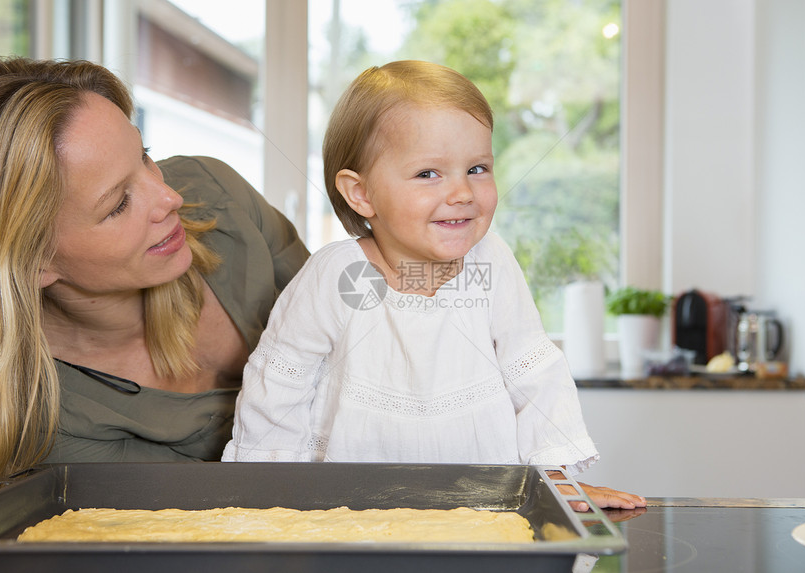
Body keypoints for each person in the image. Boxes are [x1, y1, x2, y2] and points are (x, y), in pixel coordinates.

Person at [223, 60, 644, 510]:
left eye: (478, 168)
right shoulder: (334, 276)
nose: (463, 192)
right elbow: (279, 387)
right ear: (360, 194)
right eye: (429, 174)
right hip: (352, 514)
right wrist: (268, 492)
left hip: (489, 509)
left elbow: (535, 374)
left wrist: (553, 476)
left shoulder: (493, 263)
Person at [0, 57, 310, 486]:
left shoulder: (214, 192)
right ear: (34, 262)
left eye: (145, 156)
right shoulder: (44, 431)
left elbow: (363, 329)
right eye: (118, 204)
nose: (171, 198)